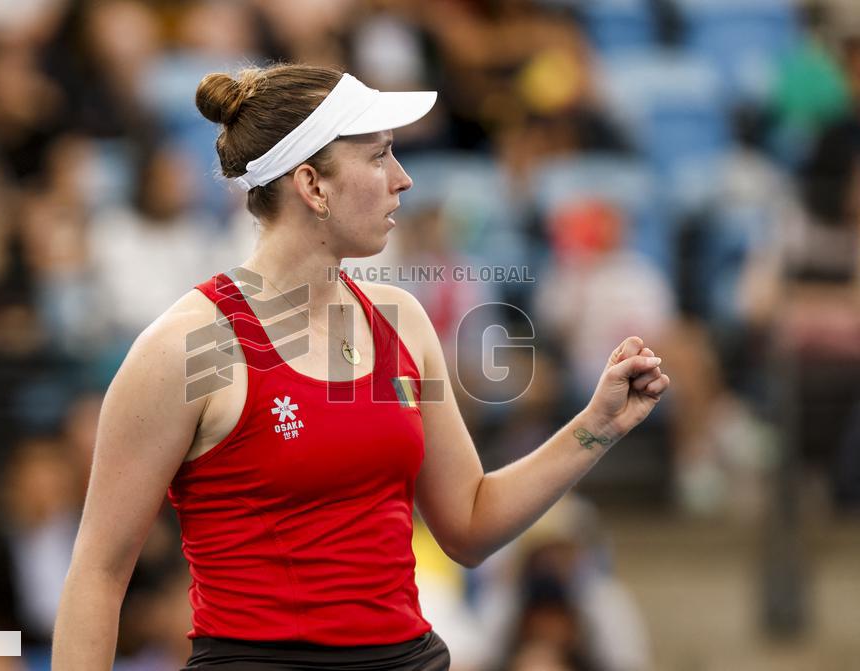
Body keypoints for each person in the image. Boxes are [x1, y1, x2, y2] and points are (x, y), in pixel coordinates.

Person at [51, 64, 670, 670]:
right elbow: (99, 574)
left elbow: (469, 524)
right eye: (378, 157)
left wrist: (597, 426)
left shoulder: (402, 320)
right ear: (312, 186)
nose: (403, 180)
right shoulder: (188, 346)